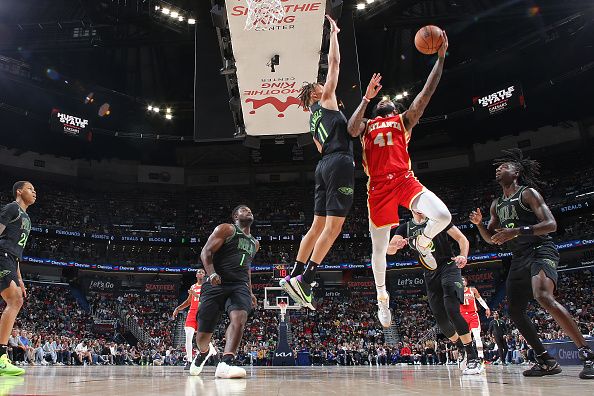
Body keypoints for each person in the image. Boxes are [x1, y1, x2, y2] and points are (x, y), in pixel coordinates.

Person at [347, 31, 452, 327]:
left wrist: (441, 58)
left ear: (394, 109)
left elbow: (426, 94)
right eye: (382, 99)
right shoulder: (367, 124)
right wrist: (367, 97)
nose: (385, 99)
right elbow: (352, 130)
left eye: (387, 99)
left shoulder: (403, 120)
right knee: (378, 250)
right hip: (378, 187)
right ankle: (382, 298)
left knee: (443, 215)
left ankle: (422, 239)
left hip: (404, 180)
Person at [469, 148, 594, 379]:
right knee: (514, 311)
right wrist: (479, 225)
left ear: (516, 172)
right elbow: (492, 238)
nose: (498, 168)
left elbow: (551, 224)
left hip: (540, 249)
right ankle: (545, 360)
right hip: (518, 258)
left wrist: (517, 231)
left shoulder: (528, 194)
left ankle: (588, 354)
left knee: (543, 296)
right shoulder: (496, 204)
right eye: (498, 167)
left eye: (504, 166)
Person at [280, 15, 354, 310]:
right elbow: (334, 64)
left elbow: (321, 145)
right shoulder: (326, 101)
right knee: (333, 229)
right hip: (338, 163)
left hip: (322, 166)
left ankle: (295, 273)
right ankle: (307, 279)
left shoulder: (312, 121)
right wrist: (334, 34)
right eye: (321, 85)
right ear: (315, 93)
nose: (326, 85)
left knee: (317, 225)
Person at [388, 210, 483, 375]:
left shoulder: (438, 220)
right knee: (441, 320)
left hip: (448, 266)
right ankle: (461, 348)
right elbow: (390, 250)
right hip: (429, 273)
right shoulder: (405, 228)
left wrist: (463, 255)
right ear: (411, 207)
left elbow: (462, 238)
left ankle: (473, 357)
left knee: (452, 309)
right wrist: (395, 245)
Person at [190, 205, 259, 379]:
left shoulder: (255, 243)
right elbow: (206, 251)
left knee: (240, 317)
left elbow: (247, 268)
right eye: (244, 210)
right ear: (235, 215)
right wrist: (212, 273)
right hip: (216, 283)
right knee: (202, 335)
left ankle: (226, 362)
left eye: (250, 210)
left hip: (239, 285)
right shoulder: (227, 229)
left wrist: (250, 292)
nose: (249, 211)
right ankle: (204, 352)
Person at [0, 181, 36, 376]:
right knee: (15, 300)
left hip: (11, 260)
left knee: (16, 299)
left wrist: (20, 278)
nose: (34, 192)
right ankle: (1, 357)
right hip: (1, 255)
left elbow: (18, 251)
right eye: (31, 189)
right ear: (19, 192)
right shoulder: (12, 207)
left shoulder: (27, 218)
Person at [172, 268, 206, 370]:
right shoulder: (193, 287)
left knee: (204, 340)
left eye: (202, 272)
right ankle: (189, 361)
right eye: (198, 272)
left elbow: (206, 300)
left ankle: (215, 357)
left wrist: (195, 295)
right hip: (192, 313)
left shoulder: (207, 287)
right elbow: (188, 301)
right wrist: (177, 309)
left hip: (202, 314)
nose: (200, 273)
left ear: (205, 275)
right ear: (196, 275)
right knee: (188, 337)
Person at [460, 277, 491, 360]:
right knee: (467, 339)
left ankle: (481, 356)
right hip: (462, 316)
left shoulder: (472, 290)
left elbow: (480, 300)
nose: (462, 281)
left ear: (466, 282)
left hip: (473, 315)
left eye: (463, 280)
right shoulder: (456, 291)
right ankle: (468, 356)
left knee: (477, 337)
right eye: (460, 280)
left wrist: (487, 308)